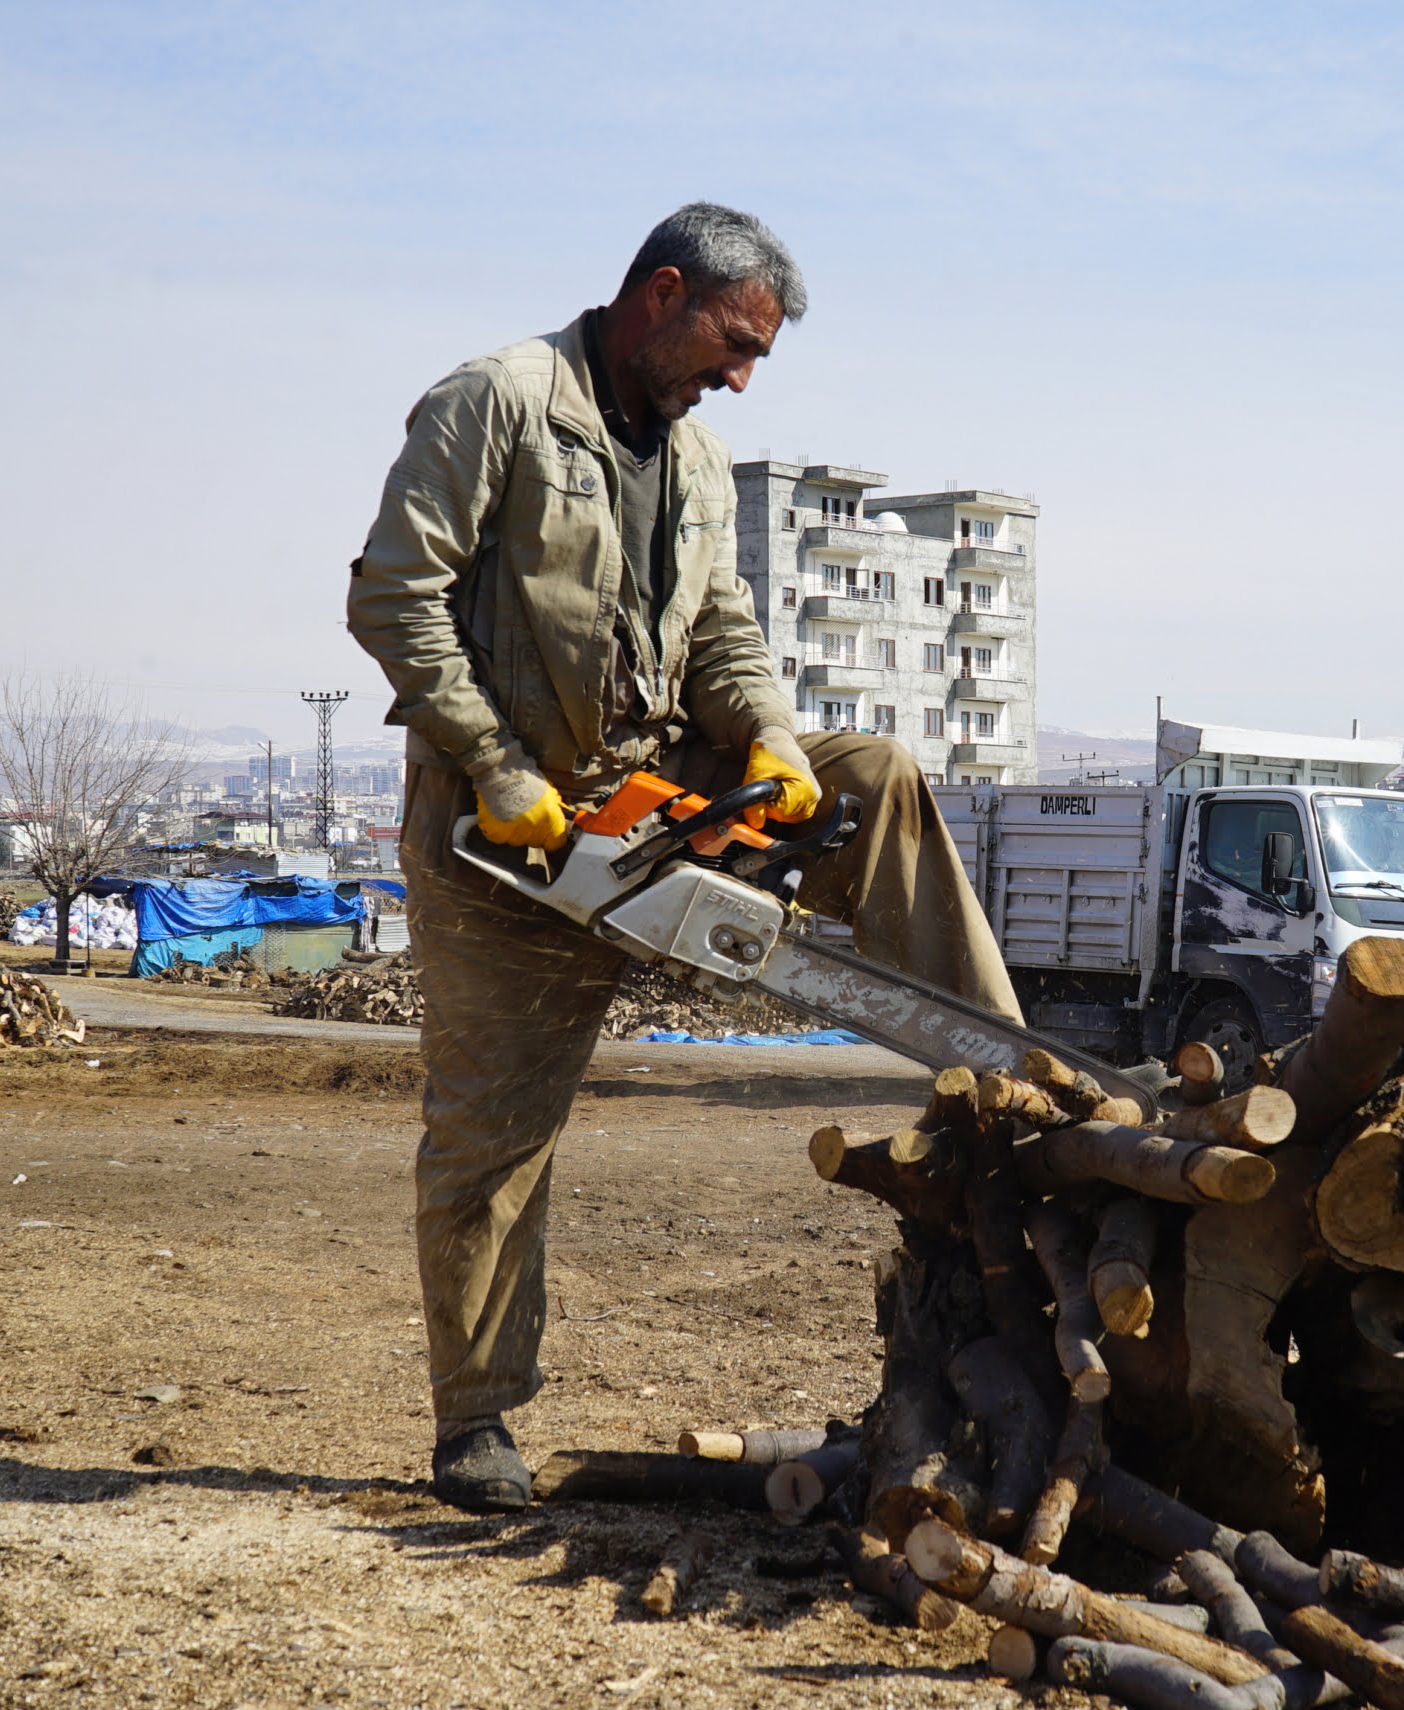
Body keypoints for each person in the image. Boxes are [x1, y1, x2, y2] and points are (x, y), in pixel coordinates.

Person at [346, 203, 1021, 1513]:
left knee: (870, 777)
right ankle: (478, 1424)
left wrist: (767, 740)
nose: (743, 376)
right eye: (734, 342)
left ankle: (1010, 1081)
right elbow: (393, 596)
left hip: (653, 801)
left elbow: (720, 629)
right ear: (661, 294)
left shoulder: (702, 463)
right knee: (493, 1139)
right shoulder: (498, 402)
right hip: (506, 844)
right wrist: (493, 759)